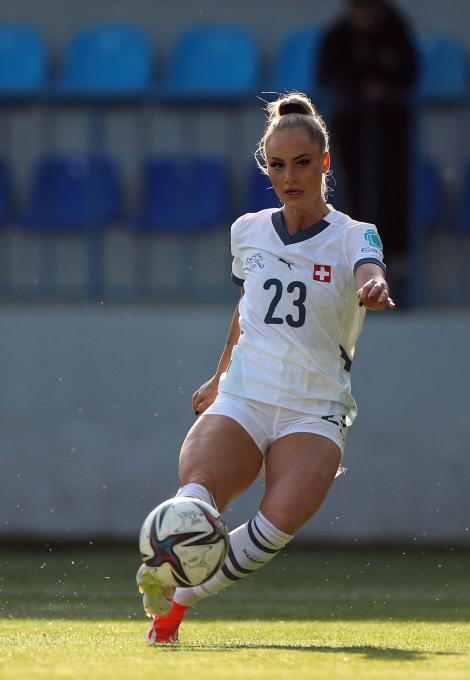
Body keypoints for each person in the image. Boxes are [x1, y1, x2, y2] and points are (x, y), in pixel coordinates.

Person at [136, 91, 395, 644]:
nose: (289, 175)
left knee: (276, 524)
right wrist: (217, 375)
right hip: (247, 393)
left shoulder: (354, 235)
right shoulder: (248, 230)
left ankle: (175, 602)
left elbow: (371, 269)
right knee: (196, 493)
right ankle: (168, 560)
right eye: (277, 165)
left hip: (316, 406)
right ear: (266, 168)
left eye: (302, 163)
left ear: (325, 163)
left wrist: (373, 286)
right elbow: (246, 309)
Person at [318, 0, 419, 303]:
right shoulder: (338, 35)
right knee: (356, 195)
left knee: (394, 194)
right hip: (353, 132)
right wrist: (358, 89)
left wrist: (384, 90)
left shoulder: (396, 29)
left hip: (391, 134)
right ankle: (360, 270)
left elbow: (409, 72)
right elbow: (327, 75)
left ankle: (398, 270)